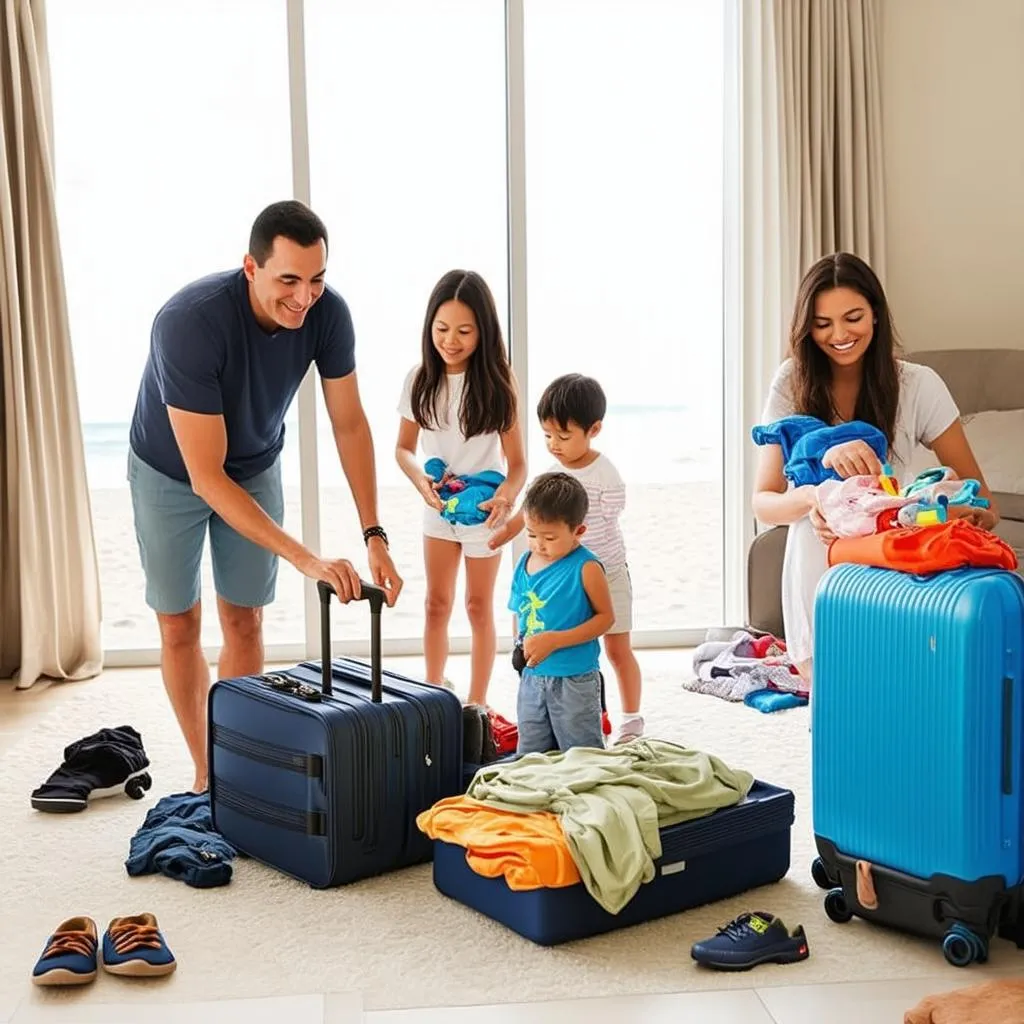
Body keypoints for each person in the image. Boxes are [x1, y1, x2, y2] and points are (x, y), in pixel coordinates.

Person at [128, 200, 403, 793]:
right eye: (289, 280)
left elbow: (349, 423)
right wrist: (307, 558)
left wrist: (373, 533)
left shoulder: (330, 316)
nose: (305, 297)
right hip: (170, 471)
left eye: (316, 279)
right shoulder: (189, 321)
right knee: (179, 624)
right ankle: (208, 771)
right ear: (250, 268)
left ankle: (234, 766)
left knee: (245, 621)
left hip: (253, 463)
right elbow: (206, 476)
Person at [751, 251, 998, 684]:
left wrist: (934, 503)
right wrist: (818, 499)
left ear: (877, 315)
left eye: (853, 318)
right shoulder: (792, 381)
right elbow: (764, 502)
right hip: (821, 549)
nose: (839, 335)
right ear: (807, 327)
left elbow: (985, 506)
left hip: (894, 539)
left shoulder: (918, 385)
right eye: (823, 324)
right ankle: (822, 678)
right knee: (810, 531)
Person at [395, 270, 526, 706]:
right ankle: (433, 693)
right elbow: (403, 449)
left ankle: (477, 702)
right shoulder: (419, 380)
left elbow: (519, 464)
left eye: (464, 331)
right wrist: (420, 480)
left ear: (483, 332)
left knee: (476, 606)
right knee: (436, 603)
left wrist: (505, 498)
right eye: (442, 329)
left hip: (485, 512)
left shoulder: (497, 383)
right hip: (438, 508)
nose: (451, 340)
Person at [490, 373, 644, 743]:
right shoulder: (551, 474)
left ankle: (632, 717)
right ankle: (575, 707)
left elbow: (607, 522)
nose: (553, 445)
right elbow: (531, 513)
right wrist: (501, 535)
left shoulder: (605, 476)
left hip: (606, 570)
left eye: (563, 436)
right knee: (567, 643)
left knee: (617, 647)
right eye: (546, 436)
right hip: (565, 575)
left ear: (594, 429)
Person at [509, 472, 615, 754]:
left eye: (550, 537)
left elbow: (605, 618)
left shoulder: (587, 567)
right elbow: (519, 610)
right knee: (530, 753)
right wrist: (520, 646)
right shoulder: (525, 562)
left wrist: (555, 640)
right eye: (531, 534)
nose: (538, 544)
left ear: (578, 531)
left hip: (574, 678)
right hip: (532, 676)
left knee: (581, 753)